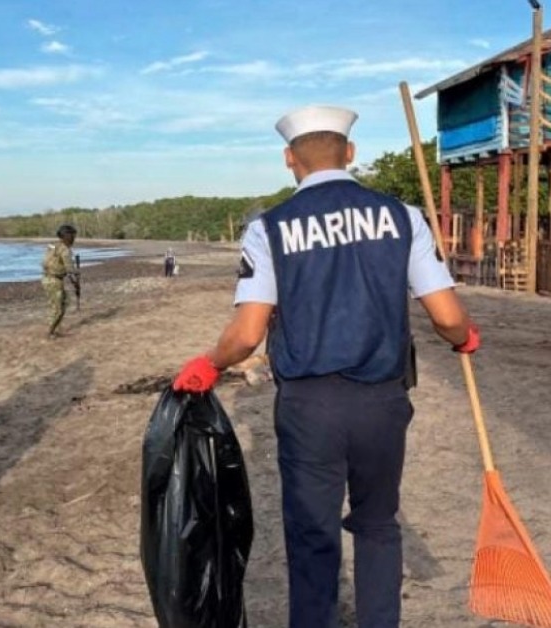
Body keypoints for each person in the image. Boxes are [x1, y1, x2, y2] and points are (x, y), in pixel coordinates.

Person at [171, 105, 478, 628]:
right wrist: (464, 339)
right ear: (351, 154)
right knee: (379, 524)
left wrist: (208, 363)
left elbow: (248, 334)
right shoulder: (402, 217)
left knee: (313, 535)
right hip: (383, 399)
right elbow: (447, 316)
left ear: (290, 159)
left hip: (309, 407)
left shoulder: (269, 229)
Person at [41, 224, 80, 338]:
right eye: (72, 236)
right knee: (59, 309)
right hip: (54, 280)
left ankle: (56, 328)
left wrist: (74, 282)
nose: (74, 239)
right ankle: (50, 332)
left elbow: (51, 263)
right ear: (67, 236)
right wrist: (76, 272)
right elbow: (70, 269)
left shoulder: (53, 246)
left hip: (46, 278)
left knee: (61, 303)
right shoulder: (65, 250)